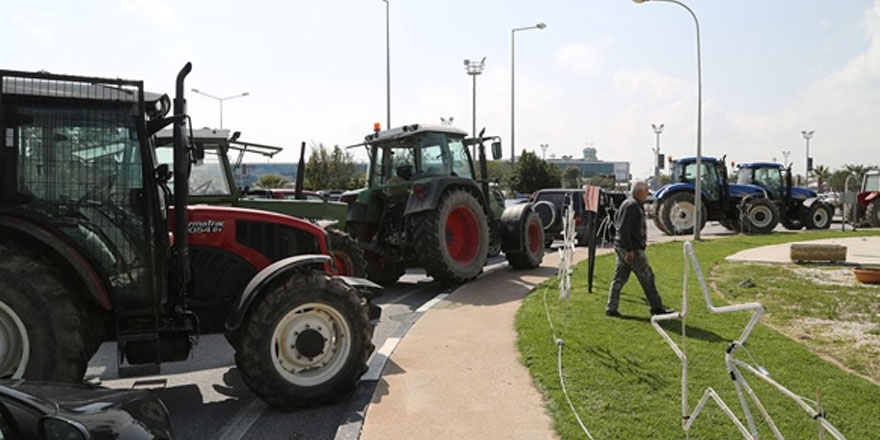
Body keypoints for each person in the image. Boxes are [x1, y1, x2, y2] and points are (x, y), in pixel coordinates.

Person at [606, 181, 675, 318]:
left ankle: (611, 308)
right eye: (646, 192)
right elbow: (625, 229)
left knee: (619, 278)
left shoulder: (629, 203)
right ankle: (656, 307)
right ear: (639, 192)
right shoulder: (632, 206)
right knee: (647, 277)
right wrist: (630, 249)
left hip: (622, 246)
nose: (647, 195)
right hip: (631, 248)